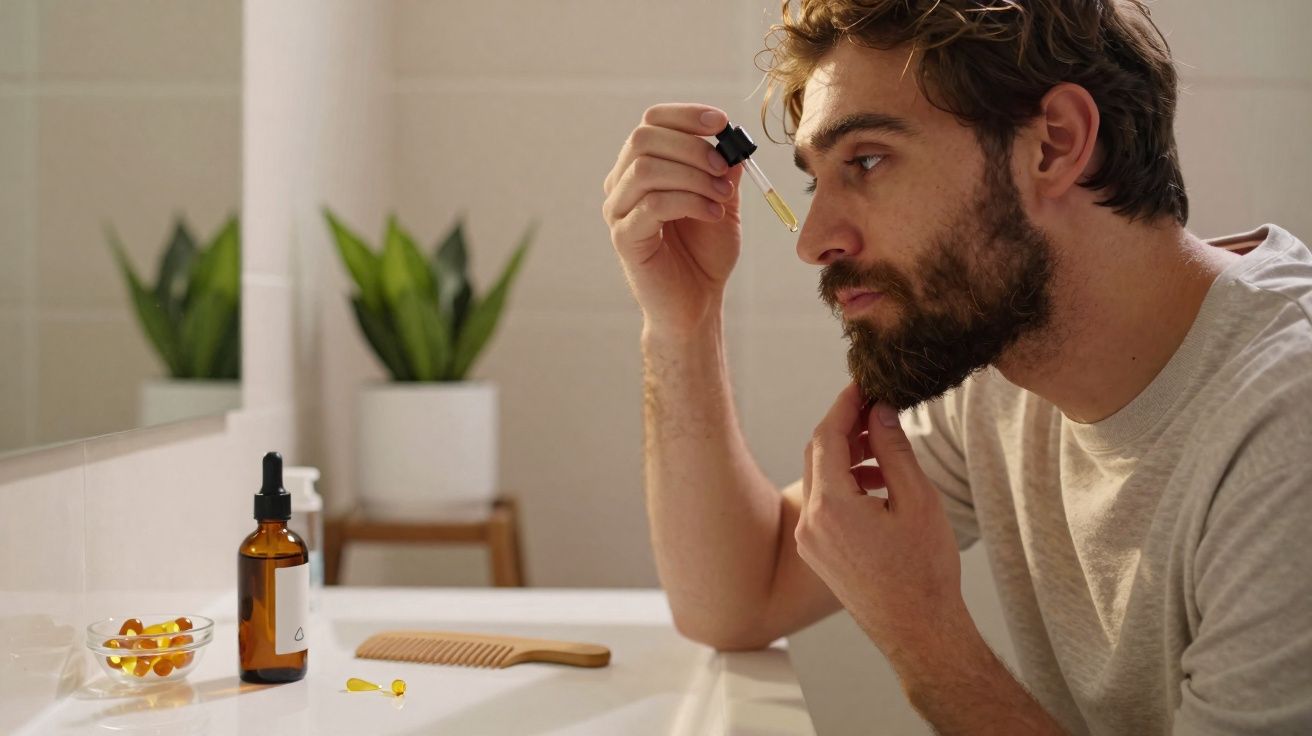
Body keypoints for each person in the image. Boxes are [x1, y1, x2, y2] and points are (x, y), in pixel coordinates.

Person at [601, 1, 1312, 734]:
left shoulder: (1286, 429)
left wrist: (922, 633)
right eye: (818, 181)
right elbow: (737, 598)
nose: (813, 241)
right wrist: (682, 320)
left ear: (1055, 144)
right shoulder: (1007, 373)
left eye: (868, 161)